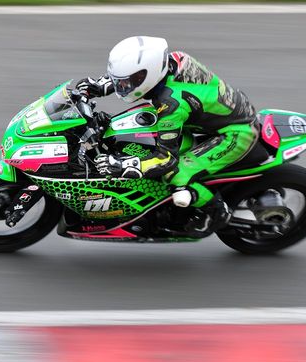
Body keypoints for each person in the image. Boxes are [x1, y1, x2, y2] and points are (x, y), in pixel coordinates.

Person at [73, 36, 259, 236]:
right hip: (217, 115)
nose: (122, 86)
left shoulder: (171, 105)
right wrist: (102, 85)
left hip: (236, 134)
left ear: (148, 74)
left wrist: (123, 165)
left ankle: (215, 211)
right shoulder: (172, 60)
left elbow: (166, 159)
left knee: (175, 173)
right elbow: (138, 78)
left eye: (126, 82)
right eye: (119, 81)